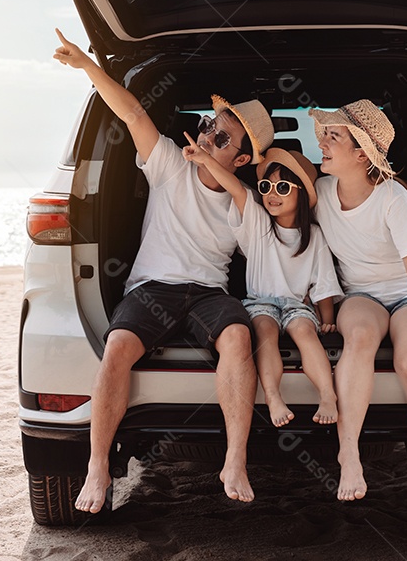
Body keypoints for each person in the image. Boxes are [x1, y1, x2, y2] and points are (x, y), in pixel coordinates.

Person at [52, 28, 274, 512]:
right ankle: (98, 466)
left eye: (222, 138)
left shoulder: (245, 202)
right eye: (209, 126)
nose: (207, 136)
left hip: (209, 294)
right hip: (153, 288)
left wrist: (216, 169)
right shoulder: (170, 163)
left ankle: (234, 459)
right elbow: (132, 112)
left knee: (237, 339)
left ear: (239, 159)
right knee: (116, 349)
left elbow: (254, 213)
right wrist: (88, 67)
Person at [309, 100, 407, 547]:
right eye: (325, 134)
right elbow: (273, 172)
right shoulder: (319, 191)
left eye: (334, 136)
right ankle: (349, 454)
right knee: (358, 338)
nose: (323, 141)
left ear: (362, 153)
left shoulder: (393, 198)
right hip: (361, 295)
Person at [183, 140, 342, 428]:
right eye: (266, 187)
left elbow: (324, 285)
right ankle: (272, 396)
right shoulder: (257, 223)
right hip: (260, 304)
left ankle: (328, 395)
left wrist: (327, 322)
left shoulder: (314, 236)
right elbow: (235, 188)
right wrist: (206, 161)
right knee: (265, 334)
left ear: (301, 196)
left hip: (297, 306)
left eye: (282, 188)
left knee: (306, 333)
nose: (271, 195)